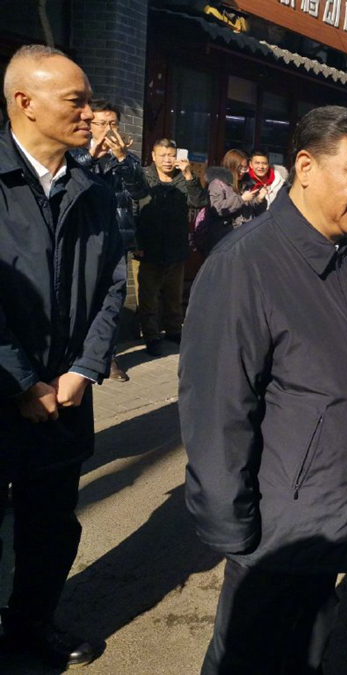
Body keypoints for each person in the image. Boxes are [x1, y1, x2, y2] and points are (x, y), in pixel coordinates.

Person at [179, 105, 347, 675]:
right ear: (305, 166)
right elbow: (217, 413)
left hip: (331, 517)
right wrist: (234, 531)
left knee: (307, 652)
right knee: (248, 660)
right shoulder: (245, 264)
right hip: (277, 531)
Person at [0, 45, 126, 669]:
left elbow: (112, 286)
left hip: (66, 396)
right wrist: (23, 382)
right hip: (7, 391)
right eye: (75, 101)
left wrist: (82, 369)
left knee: (51, 525)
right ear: (25, 102)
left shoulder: (93, 190)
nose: (89, 113)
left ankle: (32, 624)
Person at [73, 99, 148, 382]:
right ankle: (77, 355)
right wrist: (92, 155)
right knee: (82, 295)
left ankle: (108, 356)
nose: (107, 129)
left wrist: (122, 159)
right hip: (84, 236)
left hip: (116, 236)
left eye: (112, 123)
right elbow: (70, 182)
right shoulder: (76, 153)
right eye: (101, 123)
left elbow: (140, 192)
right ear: (90, 125)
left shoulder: (127, 158)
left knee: (113, 297)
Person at [136, 138, 203, 356]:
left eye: (171, 155)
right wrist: (136, 242)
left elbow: (199, 202)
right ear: (153, 156)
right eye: (163, 155)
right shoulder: (142, 176)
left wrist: (189, 175)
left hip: (175, 247)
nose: (167, 160)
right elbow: (133, 208)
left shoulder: (183, 178)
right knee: (149, 297)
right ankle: (151, 336)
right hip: (149, 247)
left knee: (174, 296)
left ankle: (174, 331)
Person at [196, 149, 267, 256]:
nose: (243, 171)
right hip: (223, 240)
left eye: (245, 168)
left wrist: (259, 200)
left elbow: (257, 212)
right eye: (240, 167)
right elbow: (217, 208)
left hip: (244, 240)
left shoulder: (247, 184)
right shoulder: (217, 184)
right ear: (231, 166)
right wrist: (241, 199)